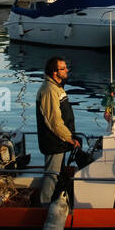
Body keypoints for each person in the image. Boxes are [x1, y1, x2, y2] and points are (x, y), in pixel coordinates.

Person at [36, 56, 80, 204]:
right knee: (52, 175)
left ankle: (54, 201)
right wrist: (69, 137)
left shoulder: (56, 87)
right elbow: (54, 121)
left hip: (59, 141)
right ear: (54, 72)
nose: (67, 70)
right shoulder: (49, 90)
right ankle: (44, 205)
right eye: (63, 68)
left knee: (57, 173)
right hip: (54, 141)